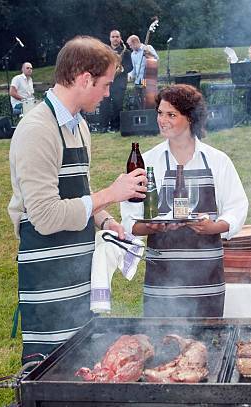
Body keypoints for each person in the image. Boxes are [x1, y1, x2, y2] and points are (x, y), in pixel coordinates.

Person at [8, 36, 147, 363]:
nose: (108, 93)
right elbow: (44, 216)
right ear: (85, 79)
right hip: (48, 275)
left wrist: (105, 218)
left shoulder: (79, 126)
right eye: (105, 84)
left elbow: (79, 193)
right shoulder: (36, 130)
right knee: (51, 368)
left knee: (84, 362)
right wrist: (112, 193)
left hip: (78, 270)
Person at [121, 84, 248, 318]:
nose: (162, 120)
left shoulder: (217, 160)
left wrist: (213, 227)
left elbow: (236, 208)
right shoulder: (147, 161)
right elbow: (130, 218)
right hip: (162, 280)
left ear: (190, 118)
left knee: (209, 344)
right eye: (160, 113)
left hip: (207, 277)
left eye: (171, 114)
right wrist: (150, 226)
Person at [98, 30, 133, 132]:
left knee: (117, 105)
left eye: (117, 37)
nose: (115, 39)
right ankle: (103, 126)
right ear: (110, 38)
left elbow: (130, 66)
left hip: (120, 83)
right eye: (113, 37)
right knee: (104, 105)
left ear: (120, 38)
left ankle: (116, 127)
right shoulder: (105, 51)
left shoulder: (125, 52)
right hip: (106, 83)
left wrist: (122, 69)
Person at [127, 34, 159, 110]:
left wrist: (149, 54)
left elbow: (156, 59)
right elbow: (134, 69)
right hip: (138, 80)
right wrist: (130, 75)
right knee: (136, 99)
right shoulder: (133, 54)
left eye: (130, 45)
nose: (130, 47)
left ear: (135, 42)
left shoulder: (148, 47)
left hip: (146, 78)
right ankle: (140, 114)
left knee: (145, 97)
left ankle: (148, 113)